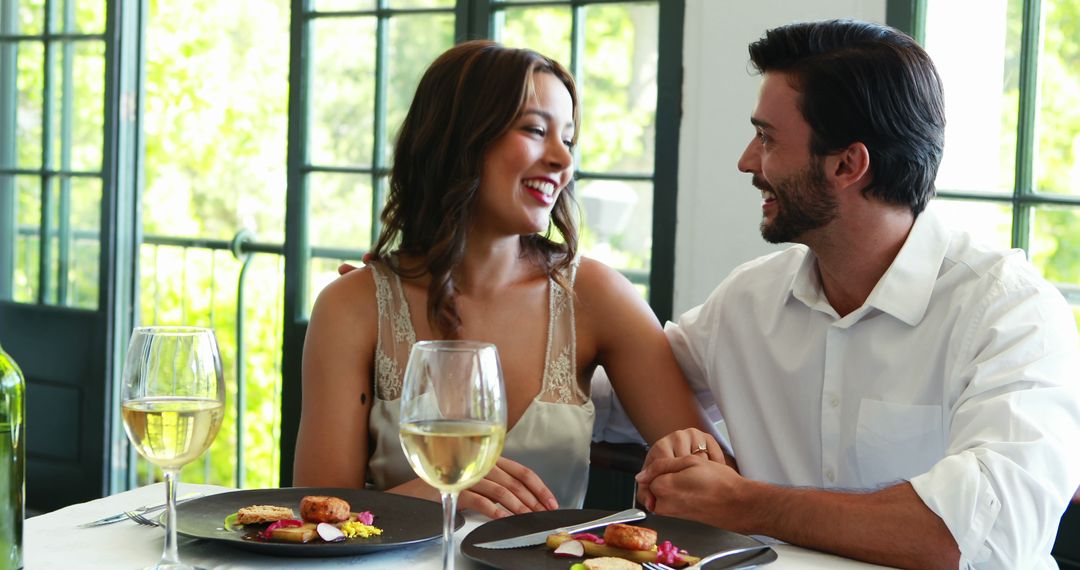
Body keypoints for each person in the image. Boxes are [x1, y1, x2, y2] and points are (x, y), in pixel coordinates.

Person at [635, 19, 1080, 569]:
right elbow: (622, 380)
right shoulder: (748, 300)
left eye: (767, 138)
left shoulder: (1012, 314)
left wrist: (743, 504)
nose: (747, 161)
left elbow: (977, 537)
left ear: (848, 164)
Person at [293, 40, 720, 519]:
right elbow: (315, 518)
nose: (563, 160)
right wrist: (429, 496)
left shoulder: (597, 297)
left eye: (569, 140)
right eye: (536, 130)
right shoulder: (352, 306)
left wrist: (691, 455)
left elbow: (712, 478)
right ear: (459, 138)